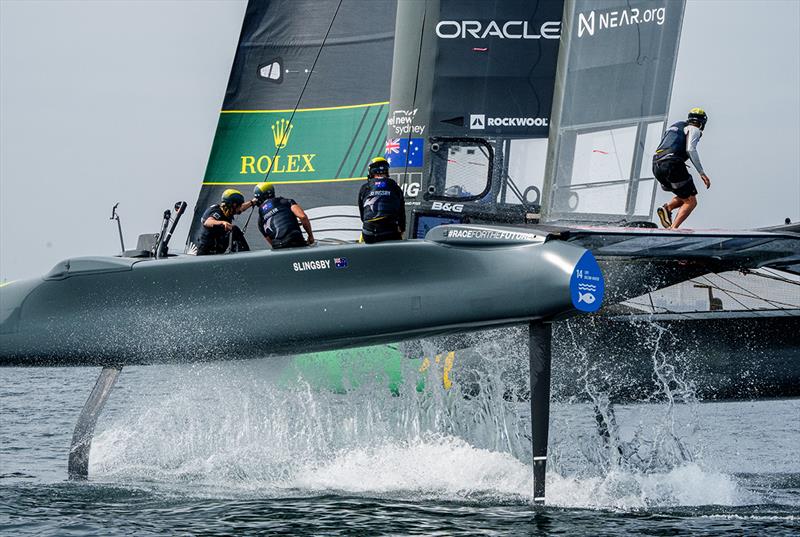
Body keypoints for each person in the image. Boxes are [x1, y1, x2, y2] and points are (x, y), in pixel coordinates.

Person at [653, 108, 711, 229]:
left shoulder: (675, 126)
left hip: (656, 165)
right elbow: (690, 149)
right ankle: (673, 229)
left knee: (685, 196)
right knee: (691, 202)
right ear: (702, 123)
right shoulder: (694, 129)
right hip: (672, 164)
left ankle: (667, 208)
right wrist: (702, 173)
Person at [358, 157, 406, 243]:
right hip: (389, 232)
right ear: (387, 171)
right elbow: (401, 214)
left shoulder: (364, 188)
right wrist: (402, 229)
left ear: (370, 172)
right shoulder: (394, 186)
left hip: (369, 233)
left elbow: (363, 216)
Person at [253, 182, 314, 249]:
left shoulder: (260, 220)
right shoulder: (286, 201)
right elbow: (302, 217)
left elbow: (269, 239)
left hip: (278, 245)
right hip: (294, 240)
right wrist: (310, 236)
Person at [196, 189, 258, 255]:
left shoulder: (228, 211)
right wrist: (223, 223)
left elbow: (241, 208)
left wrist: (253, 202)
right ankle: (245, 256)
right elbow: (208, 222)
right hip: (205, 252)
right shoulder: (217, 211)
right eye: (238, 205)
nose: (240, 208)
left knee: (235, 230)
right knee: (234, 229)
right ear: (233, 205)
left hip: (217, 250)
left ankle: (245, 254)